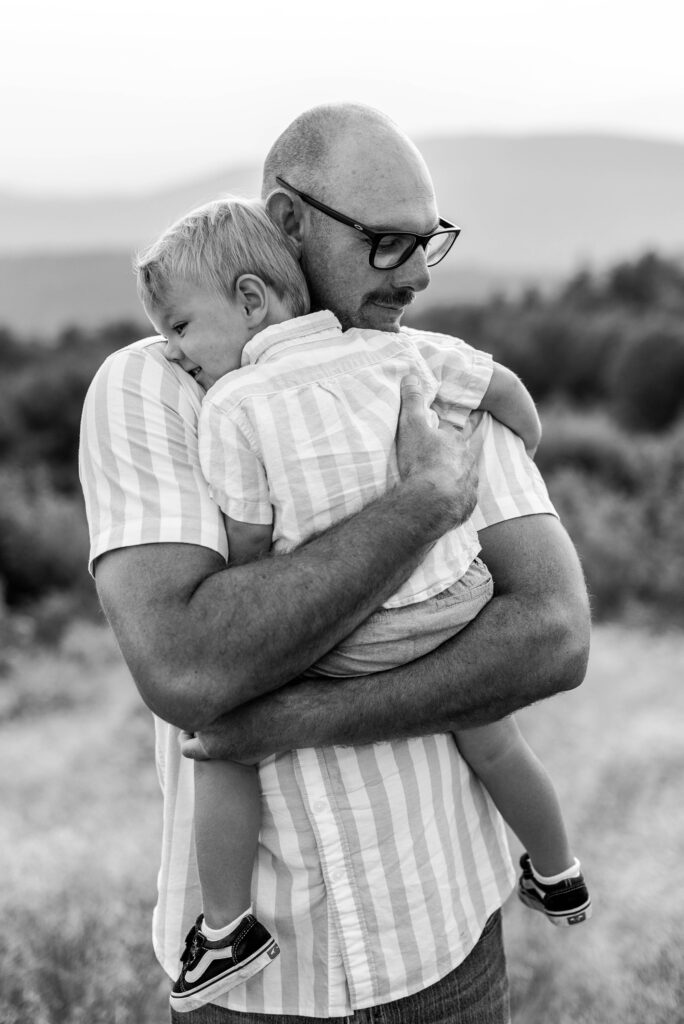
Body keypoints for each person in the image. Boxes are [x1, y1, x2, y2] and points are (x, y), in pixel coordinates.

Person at [79, 103, 590, 1023]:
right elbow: (190, 664)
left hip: (451, 942)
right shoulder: (158, 386)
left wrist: (297, 712)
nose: (418, 276)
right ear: (287, 223)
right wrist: (422, 506)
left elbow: (554, 634)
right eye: (388, 243)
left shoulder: (425, 370)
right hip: (267, 993)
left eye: (427, 241)